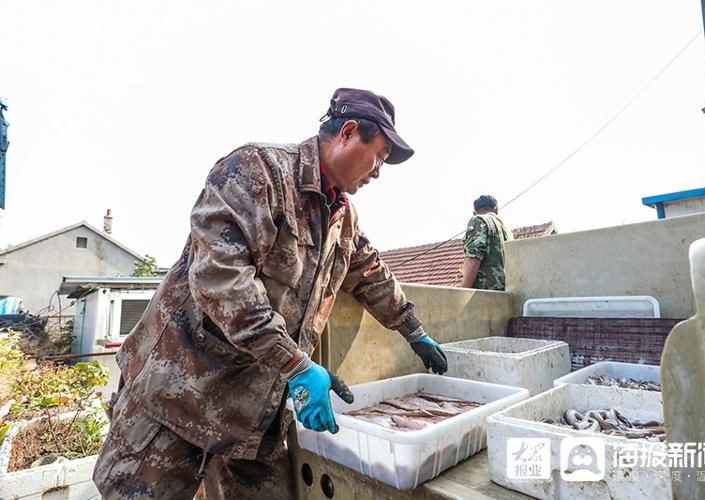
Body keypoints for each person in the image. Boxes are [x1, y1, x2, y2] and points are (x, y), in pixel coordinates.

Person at [93, 88, 448, 499]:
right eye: (380, 157)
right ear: (349, 132)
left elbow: (369, 271)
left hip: (251, 414)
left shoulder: (342, 215)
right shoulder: (258, 170)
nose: (378, 172)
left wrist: (413, 330)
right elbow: (220, 279)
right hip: (178, 396)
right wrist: (296, 364)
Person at [461, 195, 512, 291]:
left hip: (484, 293)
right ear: (496, 210)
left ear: (474, 212)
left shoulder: (478, 220)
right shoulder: (507, 230)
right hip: (506, 293)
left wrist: (462, 293)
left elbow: (474, 258)